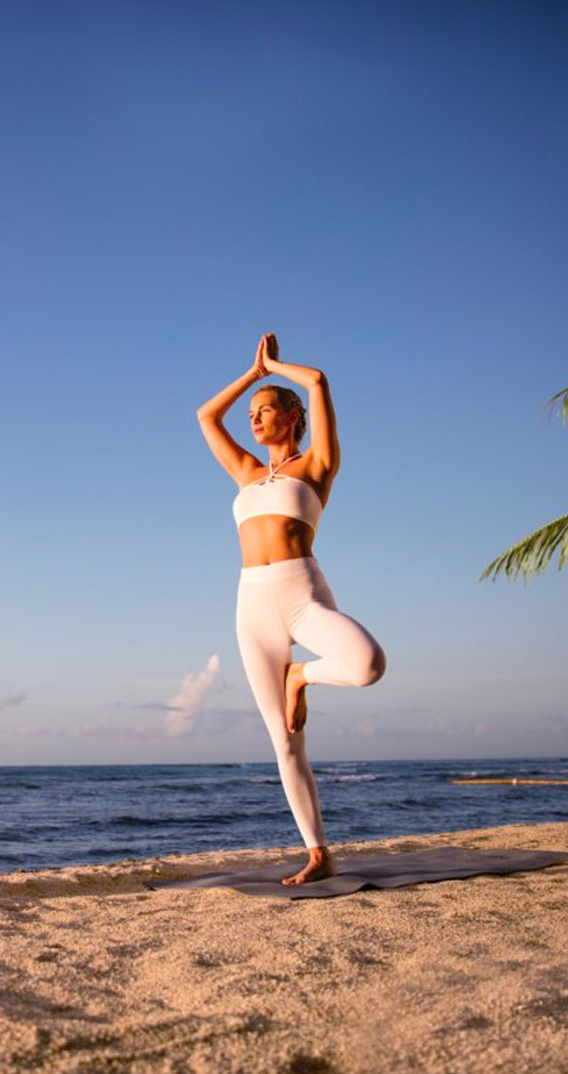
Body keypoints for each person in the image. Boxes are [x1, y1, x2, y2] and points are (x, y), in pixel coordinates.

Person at [196, 332, 386, 885]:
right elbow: (206, 416)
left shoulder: (317, 466)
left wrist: (276, 367)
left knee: (367, 664)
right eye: (251, 414)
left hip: (301, 594)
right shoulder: (247, 472)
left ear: (293, 415)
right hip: (251, 604)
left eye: (264, 410)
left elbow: (319, 380)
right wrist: (252, 376)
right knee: (285, 741)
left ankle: (302, 676)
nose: (254, 419)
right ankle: (319, 854)